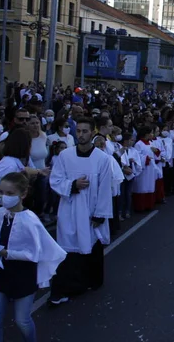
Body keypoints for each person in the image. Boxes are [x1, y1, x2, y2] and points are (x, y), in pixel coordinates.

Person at [0, 172, 66, 341]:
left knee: (22, 321)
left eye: (10, 193)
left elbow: (34, 253)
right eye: (1, 192)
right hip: (0, 273)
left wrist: (6, 253)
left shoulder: (30, 220)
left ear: (23, 194)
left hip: (23, 275)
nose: (4, 197)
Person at [48, 117, 113, 306]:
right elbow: (55, 180)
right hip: (69, 208)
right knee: (69, 246)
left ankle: (92, 280)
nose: (81, 135)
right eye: (79, 131)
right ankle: (68, 287)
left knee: (91, 244)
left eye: (85, 131)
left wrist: (100, 214)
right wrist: (73, 185)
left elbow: (104, 188)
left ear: (92, 133)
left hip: (92, 210)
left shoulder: (102, 159)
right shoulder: (65, 156)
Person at [132, 126, 160, 211]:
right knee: (142, 186)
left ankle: (149, 205)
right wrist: (146, 158)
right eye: (151, 133)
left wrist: (156, 151)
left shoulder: (150, 143)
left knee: (149, 186)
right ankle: (141, 206)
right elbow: (137, 156)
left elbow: (155, 153)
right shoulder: (139, 144)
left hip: (150, 169)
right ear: (146, 134)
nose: (152, 134)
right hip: (143, 170)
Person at [115, 132, 142, 220]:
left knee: (128, 193)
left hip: (130, 173)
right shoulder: (120, 148)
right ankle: (119, 212)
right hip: (122, 172)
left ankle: (127, 211)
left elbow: (138, 163)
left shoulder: (133, 150)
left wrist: (133, 162)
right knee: (121, 194)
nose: (132, 142)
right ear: (126, 141)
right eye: (130, 140)